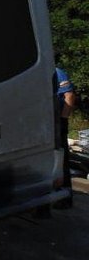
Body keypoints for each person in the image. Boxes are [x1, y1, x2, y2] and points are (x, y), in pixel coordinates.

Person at [55, 67, 77, 208]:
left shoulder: (57, 72)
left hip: (58, 121)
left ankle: (65, 199)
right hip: (49, 122)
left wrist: (63, 120)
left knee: (62, 160)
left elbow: (69, 96)